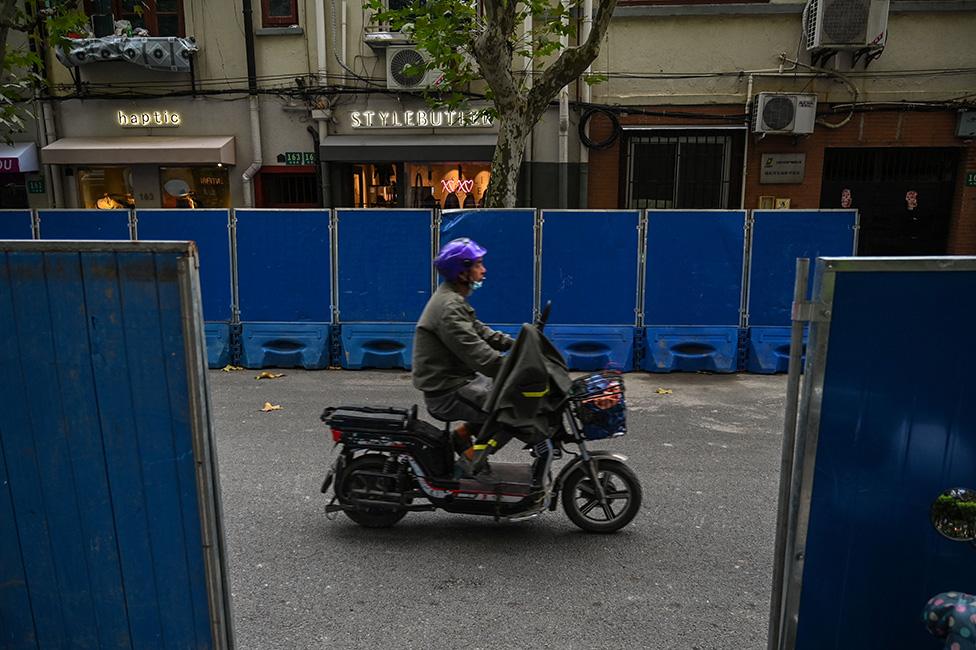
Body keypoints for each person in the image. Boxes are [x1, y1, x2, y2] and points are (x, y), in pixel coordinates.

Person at [412, 238, 514, 462]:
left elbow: (481, 332)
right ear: (462, 273)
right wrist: (515, 369)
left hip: (458, 380)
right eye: (478, 265)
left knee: (504, 395)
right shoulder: (449, 307)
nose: (484, 270)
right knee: (513, 411)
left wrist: (515, 344)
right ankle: (470, 464)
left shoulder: (453, 298)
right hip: (447, 391)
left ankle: (462, 435)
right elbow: (479, 354)